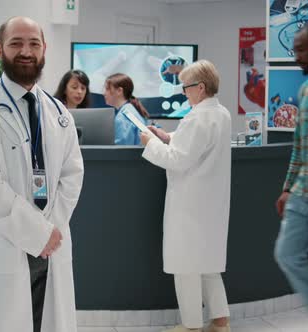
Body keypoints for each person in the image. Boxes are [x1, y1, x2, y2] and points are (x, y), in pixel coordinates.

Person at [0, 16, 84, 332]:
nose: (26, 51)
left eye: (33, 44)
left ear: (44, 49)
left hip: (52, 242)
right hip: (4, 242)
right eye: (16, 43)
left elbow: (72, 174)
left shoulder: (58, 113)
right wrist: (38, 233)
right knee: (7, 322)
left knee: (48, 321)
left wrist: (51, 229)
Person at [139, 60, 232, 332]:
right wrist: (167, 136)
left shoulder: (198, 117)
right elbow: (193, 144)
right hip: (210, 202)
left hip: (191, 204)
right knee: (207, 264)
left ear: (200, 88)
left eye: (186, 87)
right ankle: (220, 320)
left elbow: (178, 160)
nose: (184, 92)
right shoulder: (220, 113)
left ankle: (191, 326)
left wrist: (151, 143)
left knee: (187, 266)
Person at [274, 21, 308, 332]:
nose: (297, 57)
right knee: (287, 254)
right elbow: (299, 145)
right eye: (294, 50)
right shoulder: (305, 88)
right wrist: (287, 188)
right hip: (302, 192)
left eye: (302, 50)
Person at [103, 73, 150, 145]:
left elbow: (122, 152)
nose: (104, 93)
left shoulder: (123, 117)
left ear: (119, 91)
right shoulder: (129, 111)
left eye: (107, 89)